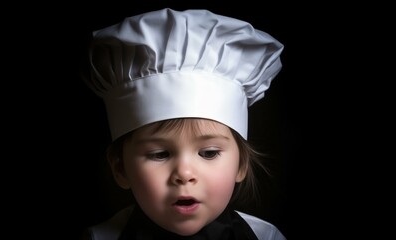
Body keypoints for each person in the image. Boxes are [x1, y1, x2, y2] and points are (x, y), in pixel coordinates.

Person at [81, 8, 286, 240]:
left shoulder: (266, 237)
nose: (184, 173)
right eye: (160, 154)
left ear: (241, 165)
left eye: (208, 153)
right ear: (120, 168)